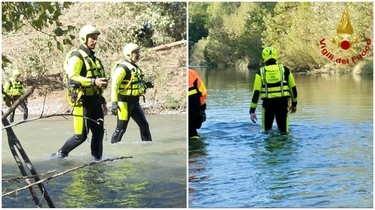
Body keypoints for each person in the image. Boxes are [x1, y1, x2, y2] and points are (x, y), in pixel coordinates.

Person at [51, 24, 108, 161]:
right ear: (84, 38)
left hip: (95, 100)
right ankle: (60, 154)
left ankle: (97, 161)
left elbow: (99, 82)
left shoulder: (94, 59)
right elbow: (73, 78)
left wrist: (103, 101)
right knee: (81, 136)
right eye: (92, 38)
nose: (94, 41)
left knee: (99, 133)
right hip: (82, 101)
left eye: (96, 38)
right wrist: (94, 82)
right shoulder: (77, 57)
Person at [110, 43, 153, 143]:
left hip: (134, 102)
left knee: (144, 125)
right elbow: (114, 86)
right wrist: (114, 103)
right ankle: (113, 148)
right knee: (121, 129)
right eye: (135, 52)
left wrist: (146, 85)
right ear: (129, 53)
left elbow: (134, 83)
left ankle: (148, 146)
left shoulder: (133, 67)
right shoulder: (122, 68)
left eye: (138, 52)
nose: (138, 54)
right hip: (124, 102)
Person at [249, 46, 297, 134]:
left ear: (264, 57)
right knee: (284, 132)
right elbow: (293, 88)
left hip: (268, 105)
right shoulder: (285, 70)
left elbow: (256, 92)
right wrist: (294, 104)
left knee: (266, 132)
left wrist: (252, 110)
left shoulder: (260, 72)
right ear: (276, 56)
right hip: (282, 104)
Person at [188, 68, 207, 139]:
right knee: (193, 133)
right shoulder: (192, 73)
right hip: (194, 108)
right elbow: (203, 93)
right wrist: (202, 108)